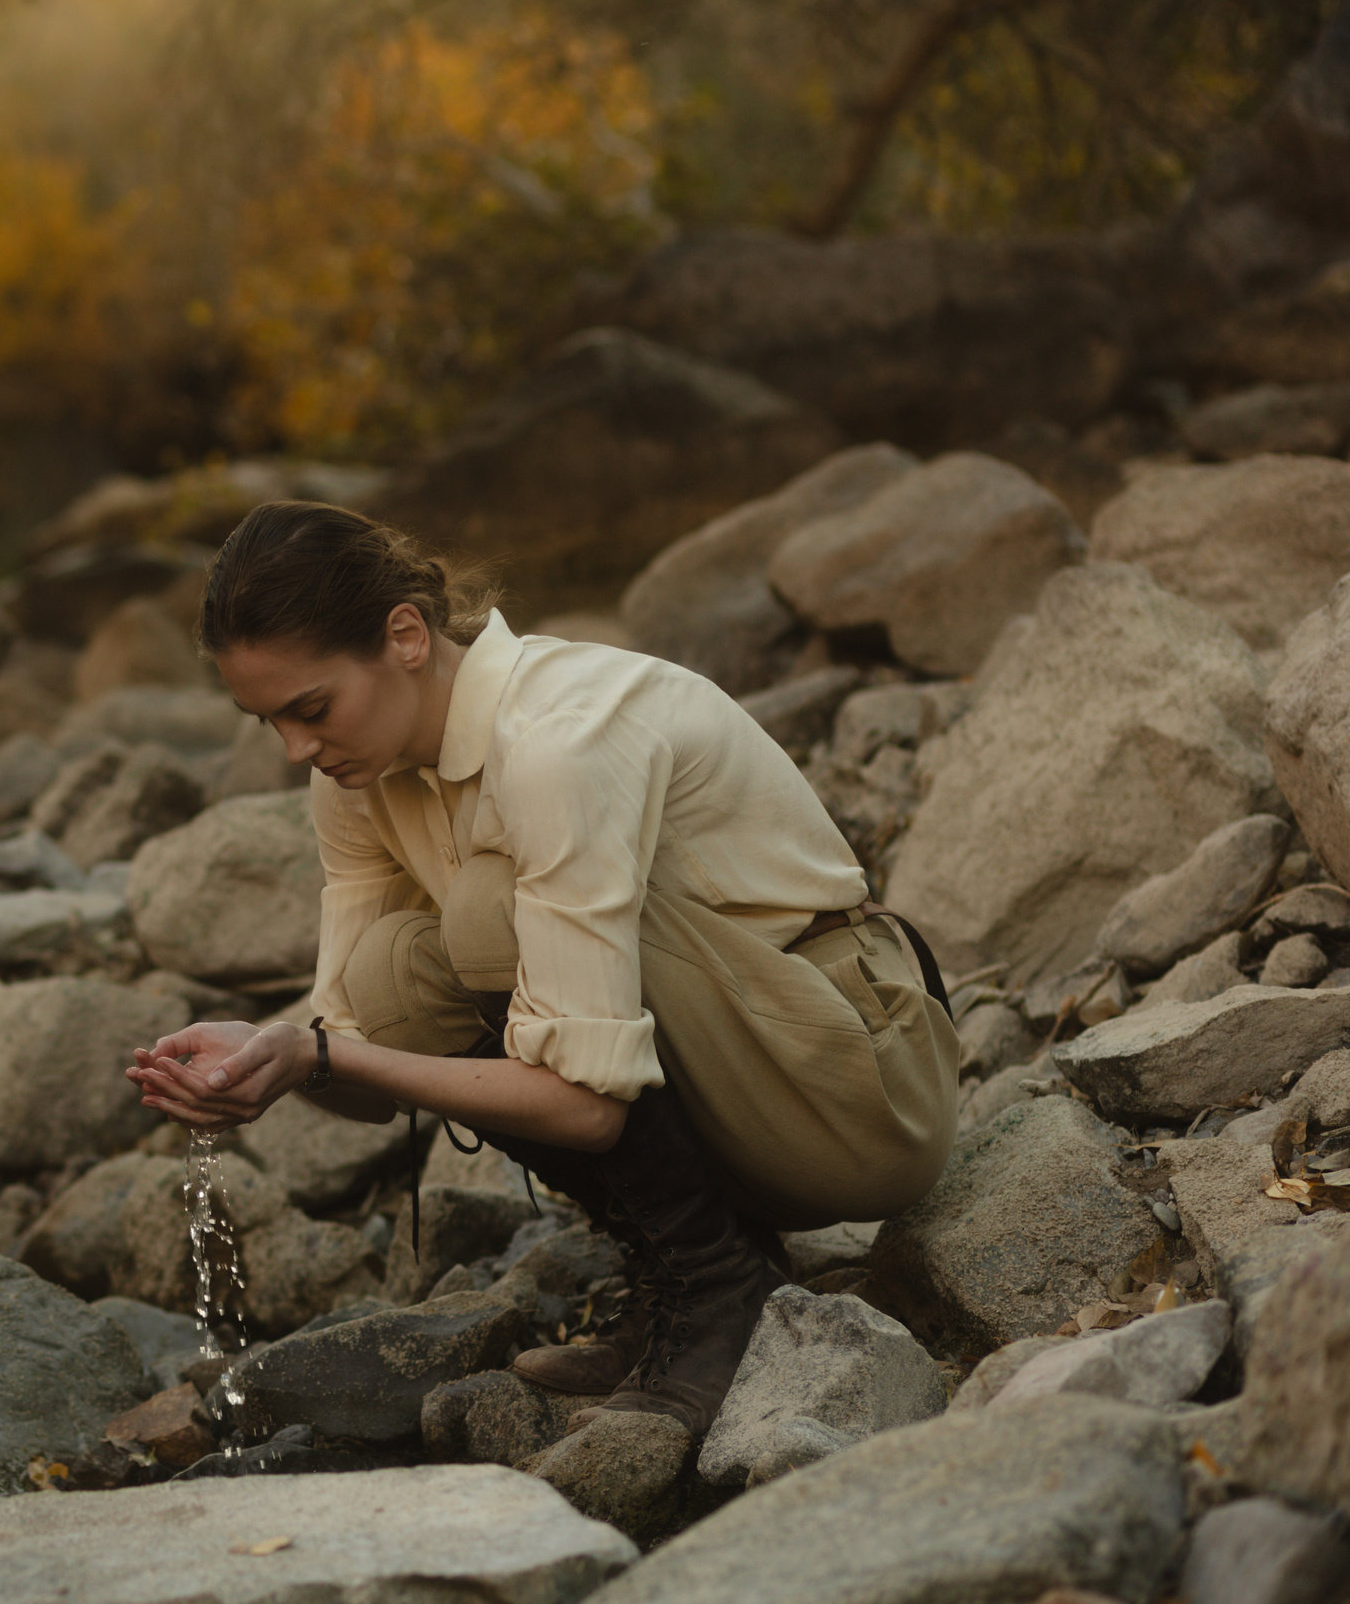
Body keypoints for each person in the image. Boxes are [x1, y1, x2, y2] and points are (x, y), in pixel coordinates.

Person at [125, 500, 959, 1436]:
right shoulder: (355, 783)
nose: (296, 749)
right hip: (745, 1095)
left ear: (406, 634)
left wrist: (319, 1058)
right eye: (268, 720)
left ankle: (716, 1283)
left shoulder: (560, 738)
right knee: (389, 971)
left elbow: (587, 1105)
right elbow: (361, 1058)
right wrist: (268, 1060)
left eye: (311, 709)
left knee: (487, 912)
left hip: (857, 1090)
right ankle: (704, 1263)